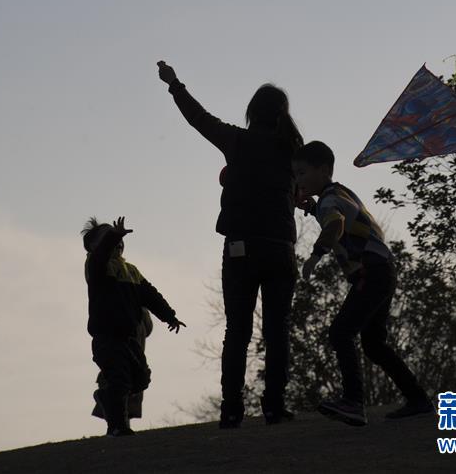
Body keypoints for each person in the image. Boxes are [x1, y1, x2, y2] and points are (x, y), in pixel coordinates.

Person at [157, 60, 302, 428]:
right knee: (277, 328)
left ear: (252, 111)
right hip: (280, 248)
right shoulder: (292, 151)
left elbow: (199, 118)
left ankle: (232, 409)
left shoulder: (238, 141)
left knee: (237, 329)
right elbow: (297, 191)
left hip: (241, 247)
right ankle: (273, 406)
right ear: (282, 115)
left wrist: (175, 83)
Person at [292, 141, 433, 426]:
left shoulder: (329, 201)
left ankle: (354, 401)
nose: (298, 180)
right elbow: (337, 214)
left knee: (341, 333)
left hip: (371, 272)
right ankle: (418, 399)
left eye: (302, 174)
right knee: (373, 344)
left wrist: (315, 256)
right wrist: (311, 207)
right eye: (295, 175)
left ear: (323, 170)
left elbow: (335, 225)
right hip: (383, 270)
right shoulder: (339, 193)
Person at [82, 215, 185, 436]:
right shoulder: (96, 266)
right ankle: (117, 427)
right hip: (107, 337)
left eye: (119, 239)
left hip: (129, 338)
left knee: (140, 379)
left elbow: (150, 295)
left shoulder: (131, 271)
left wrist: (169, 316)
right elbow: (101, 254)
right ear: (92, 246)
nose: (116, 242)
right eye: (108, 238)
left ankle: (106, 397)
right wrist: (113, 235)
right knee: (119, 380)